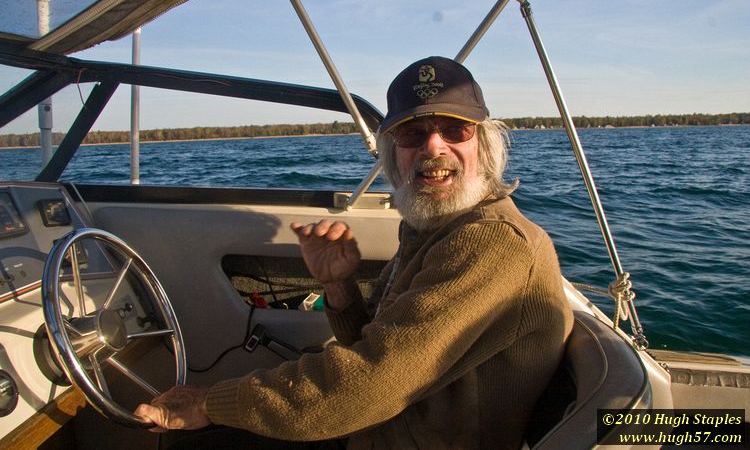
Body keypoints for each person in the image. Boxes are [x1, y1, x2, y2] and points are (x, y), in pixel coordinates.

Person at [135, 56, 573, 448]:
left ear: (486, 145)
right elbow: (376, 354)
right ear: (393, 153)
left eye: (455, 129)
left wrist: (207, 404)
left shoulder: (491, 241)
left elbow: (369, 384)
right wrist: (338, 287)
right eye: (412, 133)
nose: (434, 147)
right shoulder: (430, 230)